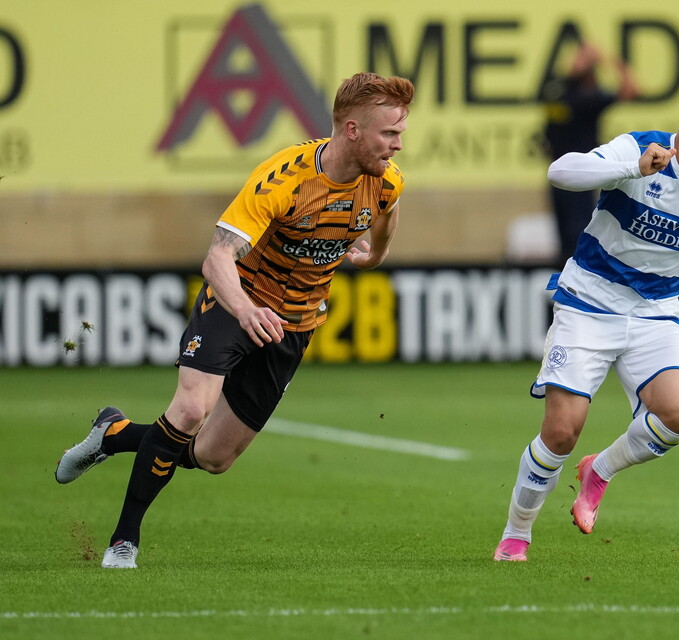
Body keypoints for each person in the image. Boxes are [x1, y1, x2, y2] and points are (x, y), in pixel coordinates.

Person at [55, 72, 415, 569]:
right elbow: (217, 258)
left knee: (212, 456)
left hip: (292, 326)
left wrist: (373, 257)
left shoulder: (386, 181)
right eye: (389, 133)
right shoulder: (285, 178)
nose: (398, 145)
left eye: (400, 133)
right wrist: (246, 310)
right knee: (189, 411)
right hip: (235, 302)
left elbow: (386, 216)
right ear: (352, 129)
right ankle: (124, 542)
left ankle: (113, 434)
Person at [493, 86, 679, 562]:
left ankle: (600, 471)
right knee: (562, 432)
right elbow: (560, 171)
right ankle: (516, 533)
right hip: (589, 303)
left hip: (655, 314)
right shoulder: (639, 148)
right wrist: (632, 168)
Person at [542, 42, 639, 265]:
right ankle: (564, 276)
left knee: (578, 231)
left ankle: (581, 273)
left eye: (583, 60)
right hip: (557, 172)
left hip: (581, 174)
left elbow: (631, 91)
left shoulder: (591, 98)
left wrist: (618, 65)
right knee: (562, 236)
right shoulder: (560, 90)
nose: (577, 62)